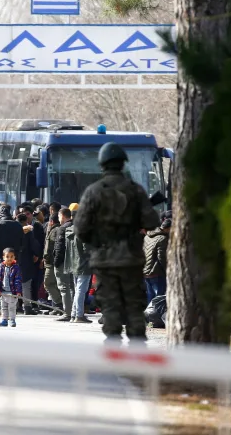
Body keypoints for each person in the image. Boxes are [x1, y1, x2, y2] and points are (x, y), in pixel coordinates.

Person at [75, 143, 160, 345]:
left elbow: (80, 229)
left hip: (104, 260)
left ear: (102, 164)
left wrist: (98, 241)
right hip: (131, 258)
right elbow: (152, 222)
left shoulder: (93, 192)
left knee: (110, 305)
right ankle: (138, 346)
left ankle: (113, 345)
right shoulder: (136, 191)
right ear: (123, 163)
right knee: (133, 304)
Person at [0, 205, 23, 320]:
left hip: (0, 258)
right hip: (14, 258)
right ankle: (12, 306)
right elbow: (23, 241)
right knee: (13, 281)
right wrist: (17, 254)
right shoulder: (17, 225)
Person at [62, 214, 93, 323]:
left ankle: (74, 314)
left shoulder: (69, 230)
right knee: (81, 290)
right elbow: (87, 249)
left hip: (73, 263)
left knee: (77, 290)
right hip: (84, 264)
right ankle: (78, 315)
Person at [16, 213, 40, 315]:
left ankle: (16, 306)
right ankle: (27, 307)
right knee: (26, 284)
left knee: (14, 284)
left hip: (14, 259)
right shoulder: (29, 232)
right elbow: (34, 245)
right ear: (26, 221)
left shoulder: (14, 230)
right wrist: (36, 254)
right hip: (26, 260)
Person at [53, 208, 75, 322]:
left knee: (64, 287)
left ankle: (67, 313)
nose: (58, 219)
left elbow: (59, 247)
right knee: (72, 286)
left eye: (59, 216)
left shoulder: (62, 228)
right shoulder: (75, 226)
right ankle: (75, 311)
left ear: (63, 216)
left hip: (63, 262)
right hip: (74, 262)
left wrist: (56, 262)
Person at [144, 218, 171, 304]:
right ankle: (157, 316)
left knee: (150, 297)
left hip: (146, 272)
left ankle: (149, 316)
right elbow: (162, 257)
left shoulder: (147, 236)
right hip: (157, 272)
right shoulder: (162, 238)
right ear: (168, 228)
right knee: (159, 299)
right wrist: (167, 271)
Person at [0, 248, 22, 328]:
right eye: (7, 256)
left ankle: (12, 320)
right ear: (3, 257)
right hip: (3, 292)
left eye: (11, 256)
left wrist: (18, 291)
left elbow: (18, 280)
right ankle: (4, 320)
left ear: (14, 257)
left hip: (12, 292)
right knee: (4, 307)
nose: (9, 258)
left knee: (12, 307)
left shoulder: (16, 268)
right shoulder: (0, 267)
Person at [43, 215, 64, 315]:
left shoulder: (55, 230)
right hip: (50, 262)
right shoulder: (52, 229)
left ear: (51, 221)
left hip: (52, 262)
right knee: (54, 284)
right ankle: (57, 306)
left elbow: (54, 247)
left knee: (48, 283)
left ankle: (59, 304)